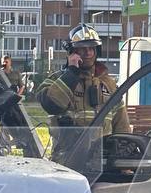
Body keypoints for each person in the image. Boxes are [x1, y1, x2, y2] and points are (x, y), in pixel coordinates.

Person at [38, 23, 130, 160]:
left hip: (101, 161)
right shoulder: (57, 80)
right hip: (66, 160)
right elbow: (51, 105)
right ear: (72, 52)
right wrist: (72, 73)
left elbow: (121, 125)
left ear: (97, 51)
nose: (88, 53)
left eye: (91, 48)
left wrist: (124, 159)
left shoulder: (109, 84)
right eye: (82, 49)